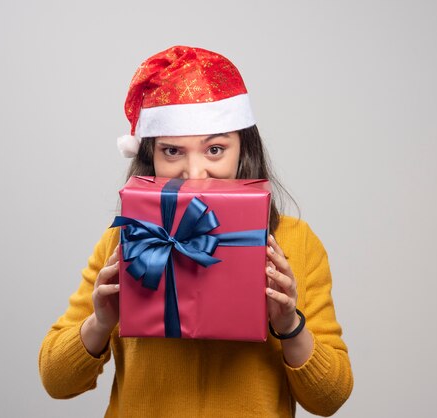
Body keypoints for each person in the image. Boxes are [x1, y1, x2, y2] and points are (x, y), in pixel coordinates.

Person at [39, 45, 353, 417]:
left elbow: (329, 399)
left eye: (215, 149)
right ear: (150, 157)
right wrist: (101, 321)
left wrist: (288, 324)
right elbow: (56, 382)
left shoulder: (296, 242)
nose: (195, 173)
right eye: (173, 152)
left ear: (243, 150)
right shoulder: (123, 239)